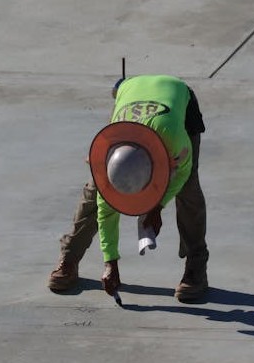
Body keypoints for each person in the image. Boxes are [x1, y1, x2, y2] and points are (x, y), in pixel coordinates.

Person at [47, 74, 208, 302]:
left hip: (175, 99)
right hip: (130, 92)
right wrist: (110, 263)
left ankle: (196, 269)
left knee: (188, 190)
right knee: (94, 192)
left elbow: (183, 170)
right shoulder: (105, 153)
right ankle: (69, 260)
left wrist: (157, 207)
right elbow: (106, 212)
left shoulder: (173, 138)